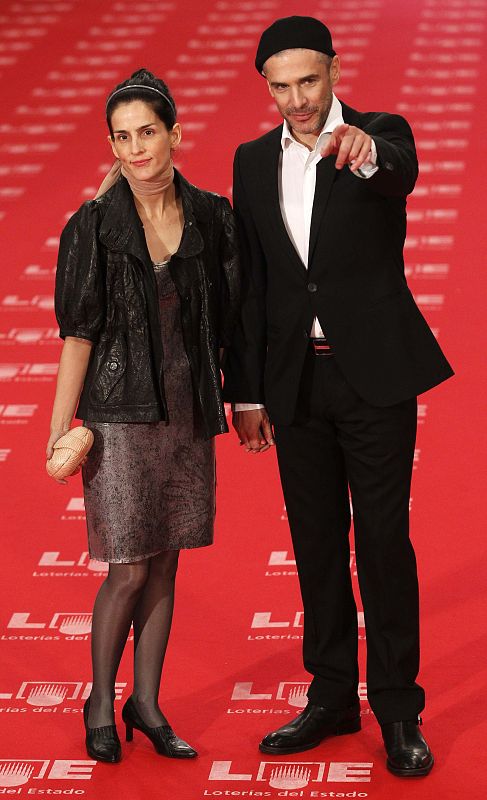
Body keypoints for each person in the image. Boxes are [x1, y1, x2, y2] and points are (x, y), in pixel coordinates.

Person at [223, 16, 453, 777]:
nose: (295, 99)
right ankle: (328, 696)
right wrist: (246, 389)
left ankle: (396, 708)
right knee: (316, 543)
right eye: (280, 86)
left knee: (382, 545)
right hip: (293, 382)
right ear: (267, 86)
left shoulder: (381, 132)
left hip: (372, 376)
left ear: (332, 69)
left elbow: (399, 172)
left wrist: (361, 151)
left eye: (307, 81)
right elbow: (252, 281)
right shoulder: (251, 161)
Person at [47, 68, 240, 764]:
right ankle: (101, 700)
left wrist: (242, 397)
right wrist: (57, 429)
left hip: (186, 412)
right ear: (112, 145)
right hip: (118, 417)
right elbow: (78, 335)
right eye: (122, 137)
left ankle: (147, 703)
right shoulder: (93, 227)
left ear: (173, 135)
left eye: (147, 133)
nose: (136, 149)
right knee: (127, 567)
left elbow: (233, 318)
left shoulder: (213, 215)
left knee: (166, 564)